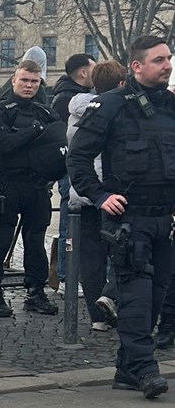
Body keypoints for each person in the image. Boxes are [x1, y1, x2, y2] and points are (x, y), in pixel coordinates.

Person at [68, 35, 174, 399]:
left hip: (165, 220)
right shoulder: (111, 105)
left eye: (168, 58)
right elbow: (78, 159)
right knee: (136, 299)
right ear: (137, 66)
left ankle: (126, 369)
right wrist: (99, 196)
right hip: (129, 220)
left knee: (156, 299)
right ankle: (145, 368)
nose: (167, 65)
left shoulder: (171, 107)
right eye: (159, 60)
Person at [0, 60, 63, 317]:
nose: (29, 86)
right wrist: (35, 131)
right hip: (9, 181)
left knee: (35, 240)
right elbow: (3, 143)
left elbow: (59, 144)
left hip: (38, 186)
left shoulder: (46, 112)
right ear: (14, 80)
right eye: (24, 80)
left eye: (34, 81)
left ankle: (35, 291)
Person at [67, 59, 125, 331]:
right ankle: (112, 298)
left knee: (90, 259)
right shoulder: (118, 111)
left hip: (82, 193)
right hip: (112, 192)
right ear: (122, 84)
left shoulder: (77, 110)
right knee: (122, 250)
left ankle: (97, 317)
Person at [52, 53, 97, 295]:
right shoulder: (67, 99)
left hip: (76, 164)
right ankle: (65, 275)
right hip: (70, 165)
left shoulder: (75, 95)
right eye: (94, 68)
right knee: (69, 219)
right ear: (83, 72)